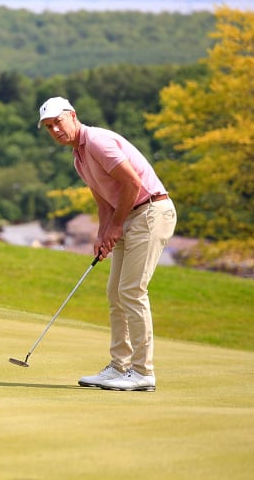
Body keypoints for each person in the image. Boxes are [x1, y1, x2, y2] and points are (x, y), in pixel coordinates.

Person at [37, 96, 177, 392]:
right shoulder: (79, 157)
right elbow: (103, 200)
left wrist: (116, 225)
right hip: (131, 216)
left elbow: (131, 184)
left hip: (151, 211)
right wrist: (103, 234)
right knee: (115, 292)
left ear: (72, 115)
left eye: (58, 123)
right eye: (49, 127)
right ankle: (119, 367)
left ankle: (143, 372)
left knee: (131, 290)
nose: (55, 131)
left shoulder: (98, 141)